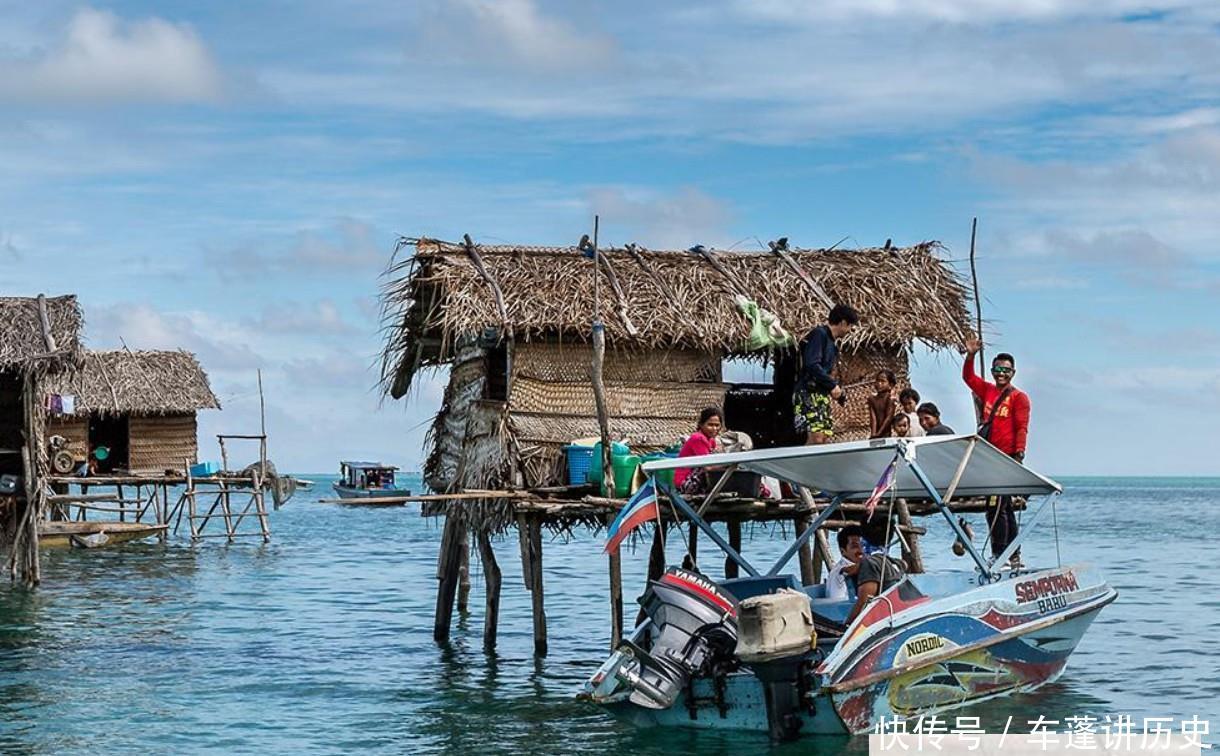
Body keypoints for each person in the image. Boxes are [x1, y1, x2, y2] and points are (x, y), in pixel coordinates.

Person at [963, 338, 1032, 567]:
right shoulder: (988, 390)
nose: (1000, 373)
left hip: (1007, 458)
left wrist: (1019, 455)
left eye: (1005, 370)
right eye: (997, 369)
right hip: (988, 457)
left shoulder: (1018, 397)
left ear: (1013, 372)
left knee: (996, 506)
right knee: (1001, 507)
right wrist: (971, 355)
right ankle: (1012, 554)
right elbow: (968, 378)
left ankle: (1001, 553)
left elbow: (1022, 427)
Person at [794, 304, 860, 445]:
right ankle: (806, 466)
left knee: (823, 437)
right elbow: (811, 364)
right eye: (850, 327)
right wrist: (832, 385)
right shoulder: (820, 334)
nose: (849, 331)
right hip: (808, 393)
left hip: (821, 395)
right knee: (816, 437)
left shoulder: (832, 343)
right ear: (843, 323)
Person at [674, 406, 723, 494]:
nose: (714, 428)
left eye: (717, 425)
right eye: (710, 425)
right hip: (685, 483)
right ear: (701, 424)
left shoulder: (711, 440)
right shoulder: (698, 438)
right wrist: (727, 464)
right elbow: (707, 467)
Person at [824, 525, 864, 600]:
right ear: (842, 551)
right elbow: (837, 603)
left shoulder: (860, 566)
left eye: (863, 545)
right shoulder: (840, 574)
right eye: (855, 546)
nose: (861, 550)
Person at [867, 370, 898, 439]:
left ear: (890, 385)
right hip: (876, 434)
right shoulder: (872, 399)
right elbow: (873, 418)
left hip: (886, 435)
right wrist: (873, 434)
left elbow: (888, 418)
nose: (879, 384)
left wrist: (879, 434)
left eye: (882, 381)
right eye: (877, 381)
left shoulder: (890, 399)